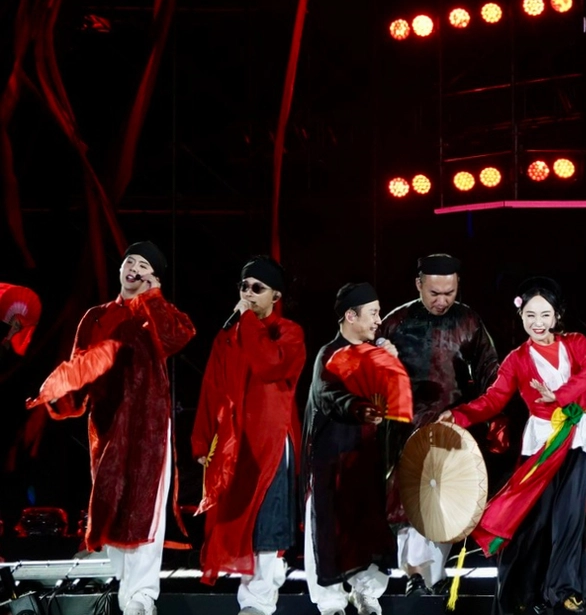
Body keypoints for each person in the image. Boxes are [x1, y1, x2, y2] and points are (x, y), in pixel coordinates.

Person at [42, 241, 195, 615]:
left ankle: (141, 596)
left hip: (150, 426)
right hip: (108, 425)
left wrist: (153, 297)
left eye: (144, 265)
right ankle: (124, 589)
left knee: (146, 507)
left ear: (153, 278)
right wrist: (60, 392)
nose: (134, 268)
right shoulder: (94, 317)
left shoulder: (156, 314)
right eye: (130, 261)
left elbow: (177, 336)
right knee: (113, 503)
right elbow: (79, 366)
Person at [439, 277, 586, 615]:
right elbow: (493, 400)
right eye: (530, 315)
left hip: (574, 440)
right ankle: (522, 594)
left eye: (544, 315)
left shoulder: (576, 343)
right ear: (521, 317)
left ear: (556, 316)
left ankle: (567, 590)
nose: (537, 323)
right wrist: (459, 416)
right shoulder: (517, 359)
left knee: (568, 518)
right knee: (533, 523)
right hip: (540, 444)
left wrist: (558, 396)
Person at [378, 253, 499, 595]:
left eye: (450, 292)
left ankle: (428, 577)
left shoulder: (470, 321)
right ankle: (417, 576)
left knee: (445, 503)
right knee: (406, 504)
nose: (443, 301)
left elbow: (493, 373)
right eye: (434, 293)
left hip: (452, 427)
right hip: (402, 427)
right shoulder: (394, 323)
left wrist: (481, 413)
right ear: (419, 285)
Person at [191, 256, 306, 615]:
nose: (248, 294)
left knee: (268, 520)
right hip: (236, 444)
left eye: (258, 288)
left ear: (276, 296)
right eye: (244, 287)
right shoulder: (227, 337)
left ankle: (258, 599)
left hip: (272, 441)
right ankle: (257, 590)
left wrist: (246, 322)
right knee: (242, 519)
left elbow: (268, 364)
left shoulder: (288, 332)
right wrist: (201, 441)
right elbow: (211, 387)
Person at [301, 283, 399, 615]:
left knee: (368, 525)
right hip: (331, 460)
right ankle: (330, 601)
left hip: (366, 460)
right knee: (328, 526)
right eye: (373, 313)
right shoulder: (329, 355)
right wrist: (358, 407)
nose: (378, 321)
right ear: (350, 316)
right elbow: (330, 396)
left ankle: (367, 593)